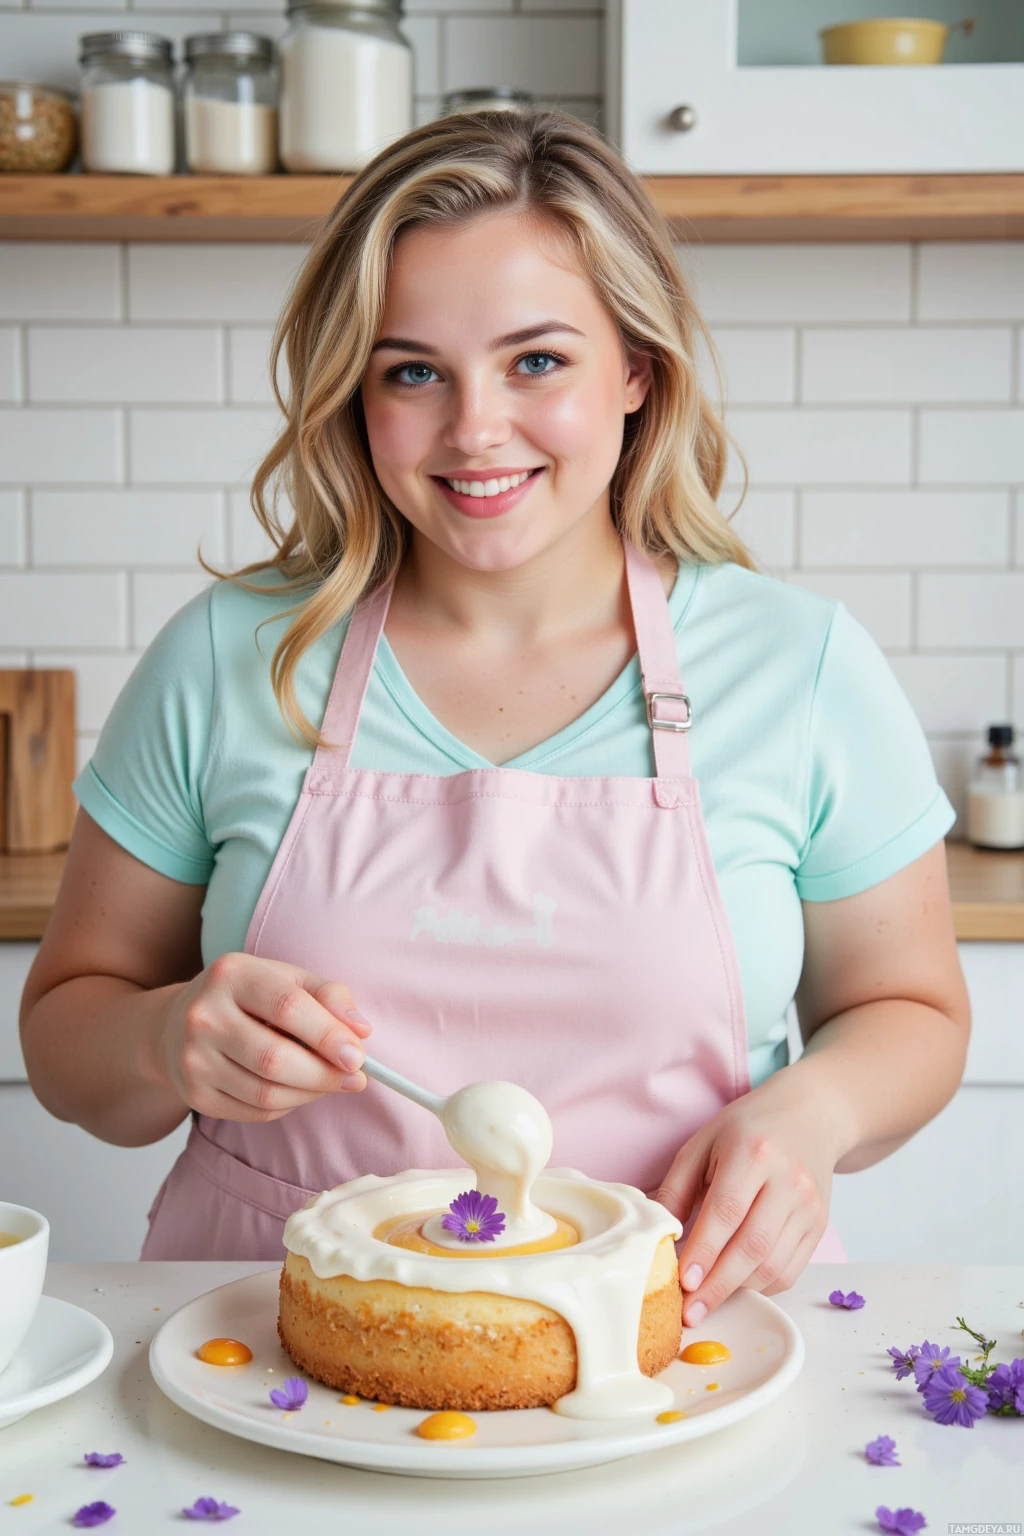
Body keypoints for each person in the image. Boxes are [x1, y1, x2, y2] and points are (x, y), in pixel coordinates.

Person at [19, 109, 969, 1330]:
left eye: (536, 361)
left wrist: (815, 1113)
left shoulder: (801, 667)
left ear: (635, 367)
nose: (474, 429)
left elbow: (914, 1012)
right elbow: (64, 1036)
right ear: (355, 396)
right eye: (412, 370)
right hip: (270, 1342)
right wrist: (162, 1041)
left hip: (682, 1339)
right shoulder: (229, 655)